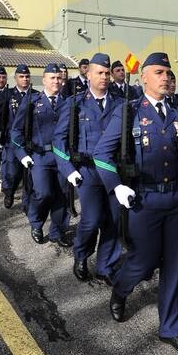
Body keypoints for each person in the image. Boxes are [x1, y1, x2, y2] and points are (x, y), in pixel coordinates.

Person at [94, 53, 178, 352]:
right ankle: (121, 290)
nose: (166, 78)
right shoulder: (129, 113)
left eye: (169, 72)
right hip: (143, 199)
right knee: (143, 261)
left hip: (176, 198)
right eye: (159, 72)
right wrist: (117, 187)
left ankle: (171, 327)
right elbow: (102, 154)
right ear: (144, 78)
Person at [53, 52, 123, 283]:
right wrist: (68, 170)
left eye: (106, 73)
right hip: (87, 171)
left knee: (113, 220)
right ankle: (81, 255)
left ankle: (106, 266)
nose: (104, 77)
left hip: (113, 171)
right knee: (91, 219)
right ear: (89, 74)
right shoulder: (75, 104)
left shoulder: (121, 104)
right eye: (99, 73)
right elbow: (59, 140)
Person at [11, 63, 71, 246]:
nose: (56, 81)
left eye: (59, 78)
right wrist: (22, 155)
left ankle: (57, 231)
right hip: (40, 157)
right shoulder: (31, 102)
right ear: (44, 80)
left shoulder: (69, 102)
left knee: (62, 195)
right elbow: (16, 131)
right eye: (52, 78)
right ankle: (36, 222)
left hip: (63, 157)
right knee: (43, 193)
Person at [0, 64, 36, 209]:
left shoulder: (36, 95)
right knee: (12, 172)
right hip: (12, 141)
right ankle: (9, 192)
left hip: (30, 141)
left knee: (29, 174)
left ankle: (27, 202)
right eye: (21, 76)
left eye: (27, 76)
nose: (25, 79)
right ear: (15, 78)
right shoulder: (7, 95)